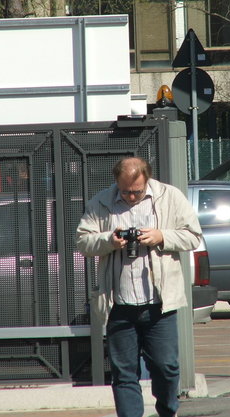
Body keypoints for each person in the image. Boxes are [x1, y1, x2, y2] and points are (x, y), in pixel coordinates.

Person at [76, 156, 202, 417]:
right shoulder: (101, 202)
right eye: (125, 192)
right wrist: (108, 240)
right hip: (119, 304)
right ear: (116, 182)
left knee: (166, 367)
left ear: (147, 179)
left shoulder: (170, 197)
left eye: (137, 192)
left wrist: (161, 236)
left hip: (160, 304)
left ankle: (167, 411)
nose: (131, 197)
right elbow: (82, 242)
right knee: (124, 374)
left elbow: (194, 236)